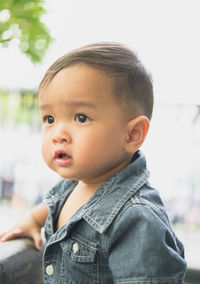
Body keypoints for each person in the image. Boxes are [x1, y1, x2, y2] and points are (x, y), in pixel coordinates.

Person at [0, 42, 187, 283]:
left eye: (81, 117)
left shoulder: (137, 219)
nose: (58, 133)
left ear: (132, 134)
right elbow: (50, 207)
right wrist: (32, 221)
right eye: (49, 118)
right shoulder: (75, 184)